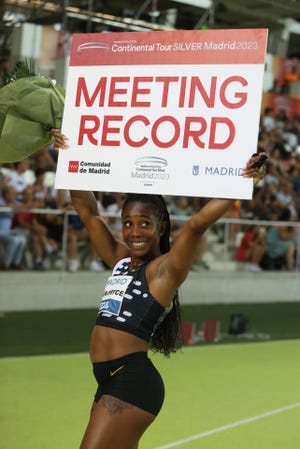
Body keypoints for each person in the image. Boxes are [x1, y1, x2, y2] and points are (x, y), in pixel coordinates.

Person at [52, 128, 266, 449]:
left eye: (144, 222)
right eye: (127, 222)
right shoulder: (119, 258)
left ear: (161, 226)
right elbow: (89, 212)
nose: (134, 231)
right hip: (109, 379)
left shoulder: (164, 271)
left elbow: (196, 225)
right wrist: (68, 155)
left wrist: (243, 182)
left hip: (132, 381)